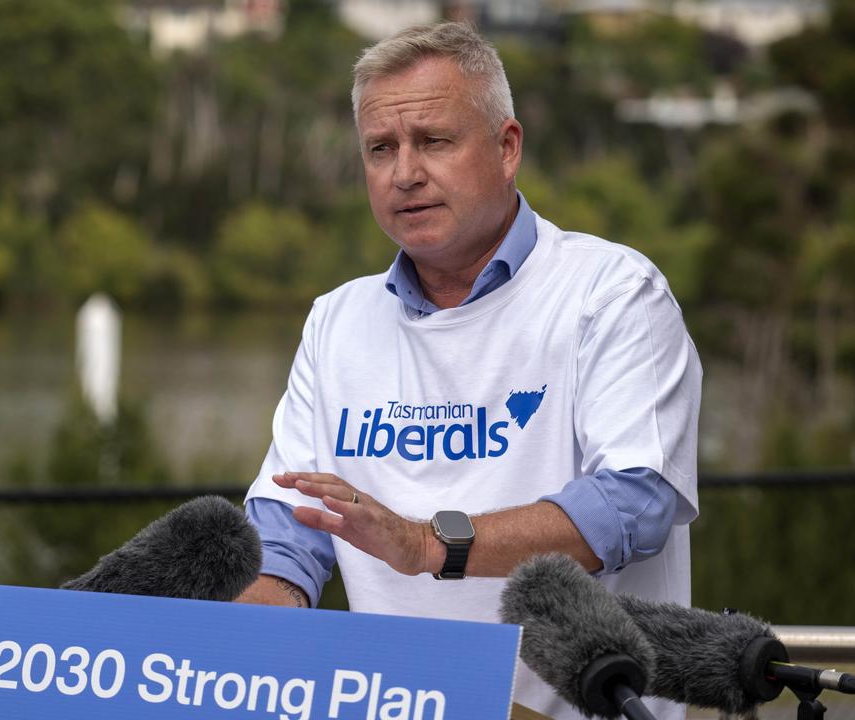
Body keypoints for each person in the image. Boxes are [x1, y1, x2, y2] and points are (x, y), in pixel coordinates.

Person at [237, 22, 702, 720]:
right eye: (381, 148)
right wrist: (234, 655)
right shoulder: (336, 321)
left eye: (434, 141)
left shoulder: (612, 293)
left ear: (507, 148)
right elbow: (288, 528)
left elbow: (633, 504)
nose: (405, 173)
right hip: (395, 706)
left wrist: (427, 544)